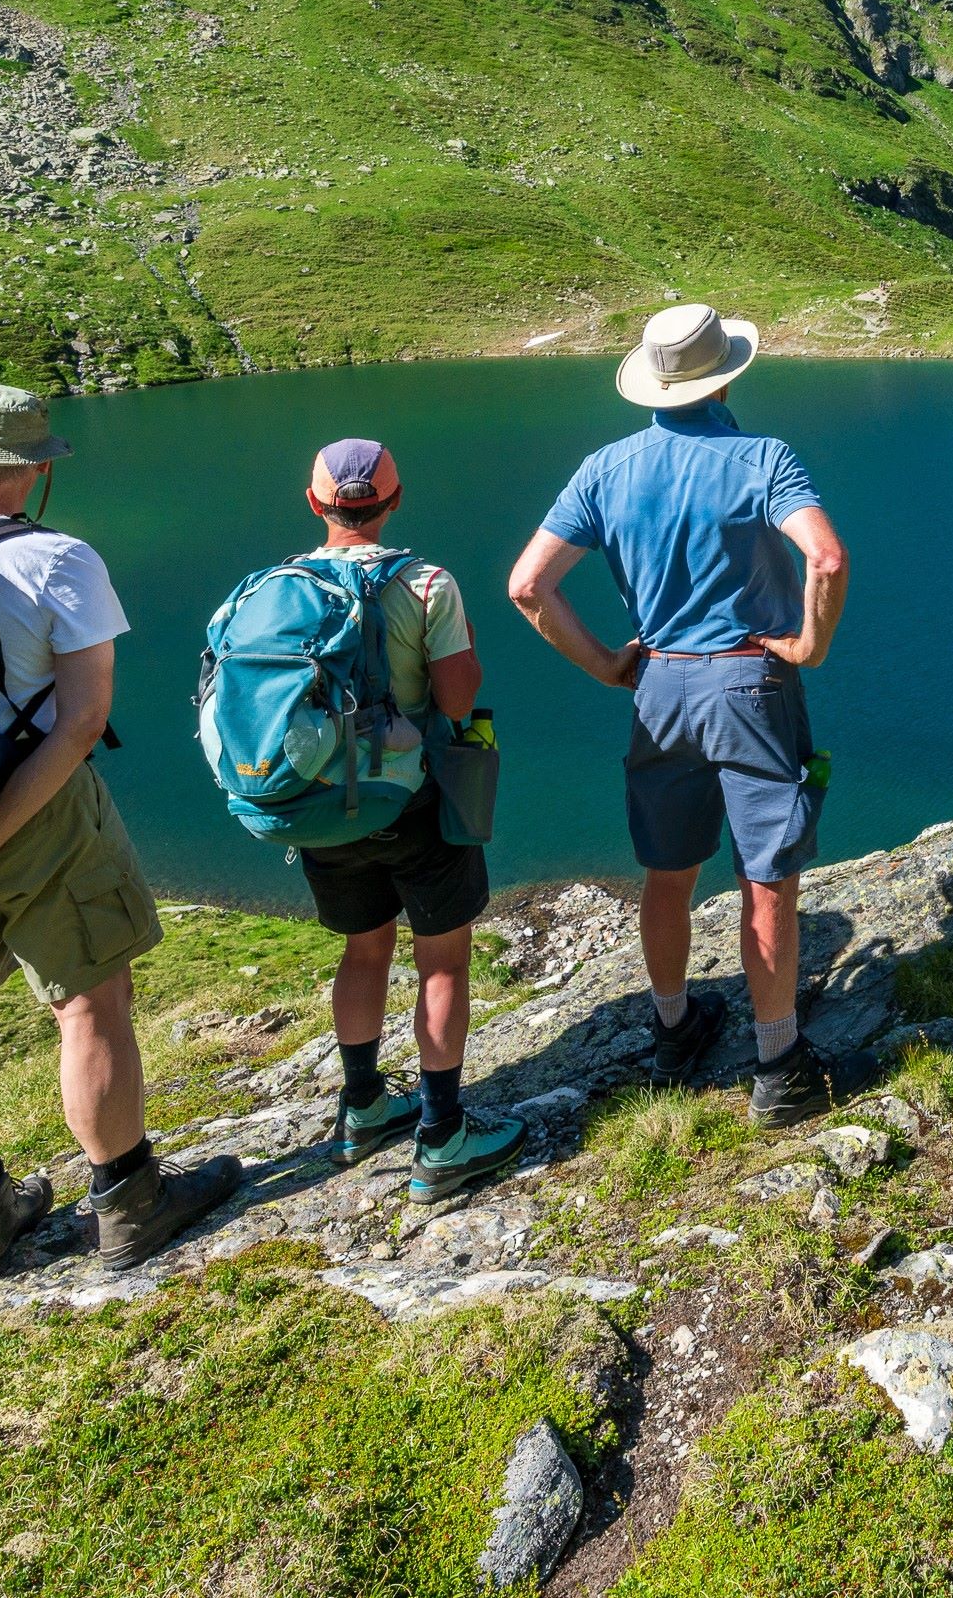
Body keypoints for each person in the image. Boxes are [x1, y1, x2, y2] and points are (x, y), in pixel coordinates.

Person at [0, 386, 242, 1286]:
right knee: (90, 1003)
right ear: (34, 468)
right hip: (34, 813)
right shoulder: (56, 558)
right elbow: (81, 720)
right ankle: (130, 1202)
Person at [508, 304, 848, 1124]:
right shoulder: (763, 457)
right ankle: (778, 1067)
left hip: (658, 686)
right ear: (726, 376)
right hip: (750, 685)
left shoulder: (605, 468)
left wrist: (605, 663)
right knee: (765, 876)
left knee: (667, 872)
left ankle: (673, 1031)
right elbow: (826, 556)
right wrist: (809, 643)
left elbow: (527, 585)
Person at [286, 439, 526, 1201]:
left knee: (363, 950)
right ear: (394, 501)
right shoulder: (426, 584)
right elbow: (456, 700)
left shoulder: (284, 588)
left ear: (315, 502)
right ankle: (442, 1133)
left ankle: (361, 1107)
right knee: (442, 963)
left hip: (325, 807)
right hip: (414, 803)